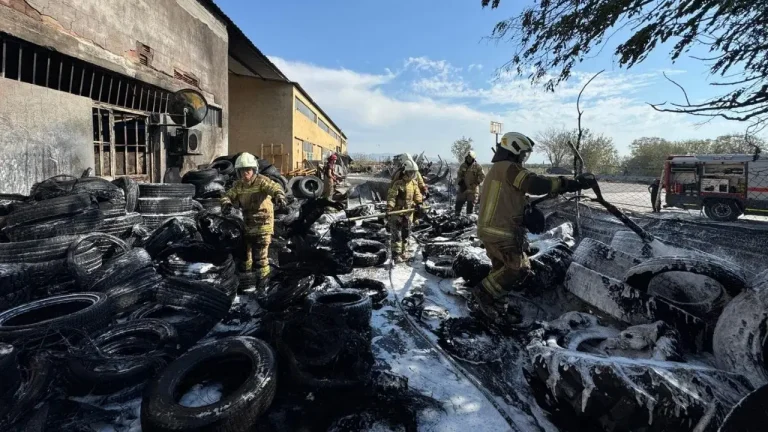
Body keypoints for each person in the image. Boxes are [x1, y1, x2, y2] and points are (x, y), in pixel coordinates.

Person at [472, 132, 591, 323]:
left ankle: (494, 304)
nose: (523, 158)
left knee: (501, 271)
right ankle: (483, 294)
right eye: (523, 153)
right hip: (501, 231)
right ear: (514, 150)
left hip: (492, 229)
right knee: (518, 268)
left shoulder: (497, 170)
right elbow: (534, 183)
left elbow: (511, 198)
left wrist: (530, 206)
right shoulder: (509, 167)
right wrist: (567, 183)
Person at [221, 152, 287, 280]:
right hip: (248, 224)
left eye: (248, 170)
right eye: (242, 170)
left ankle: (263, 281)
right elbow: (227, 195)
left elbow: (274, 187)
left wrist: (279, 196)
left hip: (263, 225)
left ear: (254, 170)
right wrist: (226, 203)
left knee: (260, 258)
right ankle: (248, 281)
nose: (245, 173)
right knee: (246, 257)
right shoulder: (238, 185)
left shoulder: (262, 181)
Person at [386, 160, 423, 263]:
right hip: (397, 213)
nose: (413, 175)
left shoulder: (414, 183)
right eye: (411, 172)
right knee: (396, 236)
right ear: (405, 172)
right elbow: (392, 196)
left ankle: (404, 252)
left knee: (406, 234)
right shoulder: (398, 183)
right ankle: (396, 255)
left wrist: (419, 203)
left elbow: (417, 194)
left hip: (408, 213)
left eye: (414, 173)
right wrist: (389, 207)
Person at [456, 150, 485, 216]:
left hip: (472, 190)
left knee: (470, 207)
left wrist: (476, 183)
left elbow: (482, 176)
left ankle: (469, 219)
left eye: (470, 157)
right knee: (458, 204)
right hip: (463, 189)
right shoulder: (463, 165)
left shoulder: (477, 166)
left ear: (473, 158)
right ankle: (456, 218)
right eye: (468, 157)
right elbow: (459, 175)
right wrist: (460, 182)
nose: (469, 159)